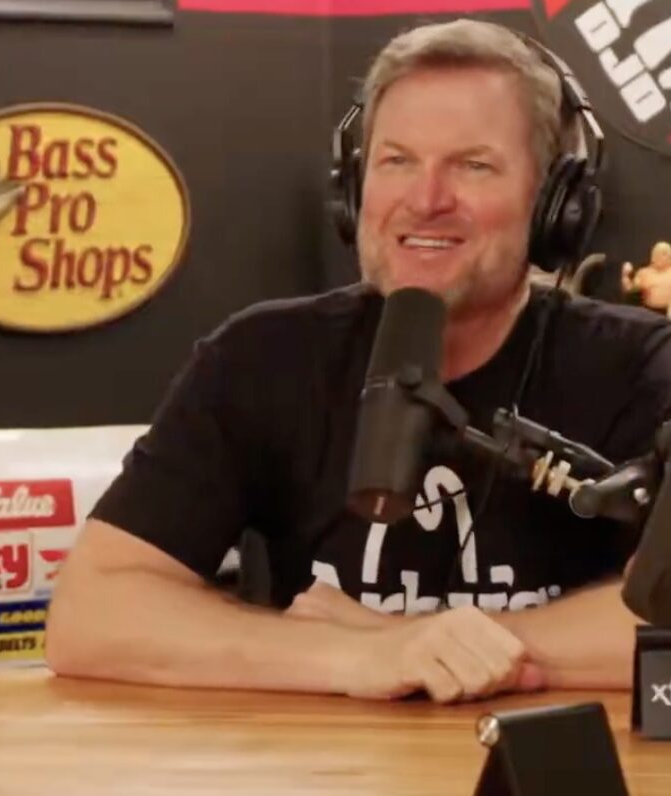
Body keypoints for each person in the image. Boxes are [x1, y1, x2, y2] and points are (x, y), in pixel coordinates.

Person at [45, 19, 671, 704]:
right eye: (396, 161)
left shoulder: (644, 365)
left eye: (474, 165)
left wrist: (430, 643)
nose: (426, 200)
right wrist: (357, 656)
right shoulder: (262, 357)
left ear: (556, 203)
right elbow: (92, 615)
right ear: (353, 188)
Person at [622, 242, 671, 317]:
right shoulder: (643, 272)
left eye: (664, 253)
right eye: (656, 253)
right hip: (648, 312)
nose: (659, 256)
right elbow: (631, 290)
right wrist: (625, 276)